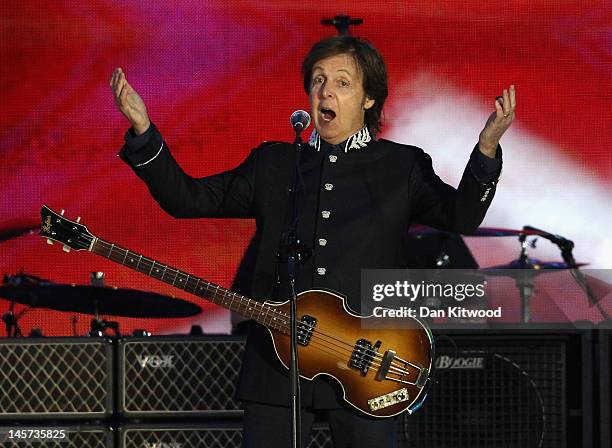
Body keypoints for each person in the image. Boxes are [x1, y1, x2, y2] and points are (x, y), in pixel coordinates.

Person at [111, 35, 515, 448]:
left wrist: (486, 149)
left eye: (342, 82)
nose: (326, 91)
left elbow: (461, 216)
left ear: (369, 98)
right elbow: (186, 199)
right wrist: (144, 132)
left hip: (369, 359)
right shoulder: (275, 163)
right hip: (277, 358)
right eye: (318, 80)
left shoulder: (401, 165)